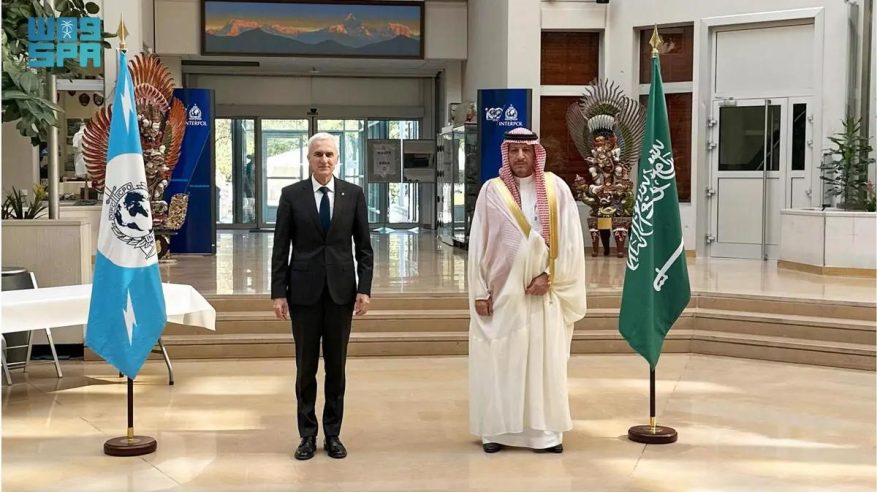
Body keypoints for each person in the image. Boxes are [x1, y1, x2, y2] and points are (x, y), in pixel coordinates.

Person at [467, 127, 587, 454]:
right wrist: (479, 290)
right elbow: (479, 242)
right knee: (501, 361)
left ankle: (544, 434)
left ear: (536, 154)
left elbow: (571, 241)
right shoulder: (492, 191)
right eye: (514, 151)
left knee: (543, 363)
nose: (520, 157)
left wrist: (550, 276)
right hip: (503, 294)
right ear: (506, 154)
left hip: (544, 295)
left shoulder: (556, 188)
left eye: (527, 151)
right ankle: (497, 431)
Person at [271, 132, 373, 461]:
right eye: (318, 154)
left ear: (337, 159)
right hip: (303, 294)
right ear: (309, 159)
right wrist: (278, 292)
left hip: (341, 293)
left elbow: (364, 248)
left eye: (329, 154)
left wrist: (364, 288)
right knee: (305, 369)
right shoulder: (291, 195)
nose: (324, 160)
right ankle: (306, 435)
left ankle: (333, 434)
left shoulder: (353, 194)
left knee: (336, 368)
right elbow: (280, 248)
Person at [242, 153, 255, 222]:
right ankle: (251, 217)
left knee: (253, 202)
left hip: (253, 185)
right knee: (251, 202)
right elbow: (247, 176)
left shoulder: (256, 165)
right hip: (250, 185)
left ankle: (253, 217)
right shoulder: (249, 166)